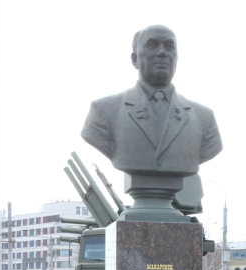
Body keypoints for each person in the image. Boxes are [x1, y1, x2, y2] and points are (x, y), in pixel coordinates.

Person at [81, 25, 223, 177]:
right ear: (135, 59)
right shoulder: (104, 111)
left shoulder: (204, 118)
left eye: (169, 46)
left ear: (176, 58)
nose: (162, 52)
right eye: (152, 45)